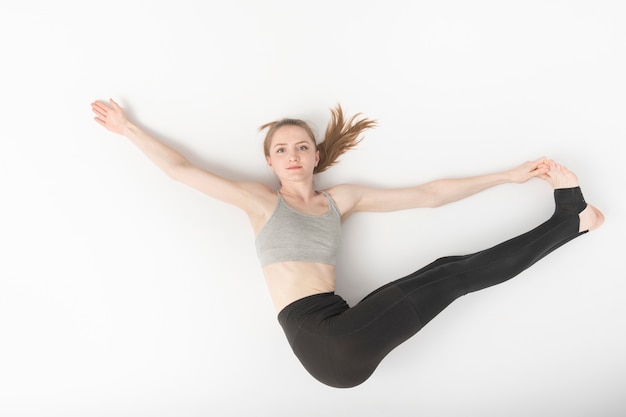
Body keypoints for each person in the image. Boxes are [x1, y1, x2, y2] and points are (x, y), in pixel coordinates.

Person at [91, 98, 604, 388]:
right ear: (270, 163)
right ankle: (569, 222)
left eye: (301, 147)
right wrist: (127, 128)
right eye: (280, 150)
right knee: (454, 275)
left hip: (338, 328)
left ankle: (572, 222)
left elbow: (428, 195)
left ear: (316, 156)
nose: (291, 155)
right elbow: (181, 170)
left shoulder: (342, 200)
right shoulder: (260, 201)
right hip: (324, 340)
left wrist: (508, 176)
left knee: (450, 269)